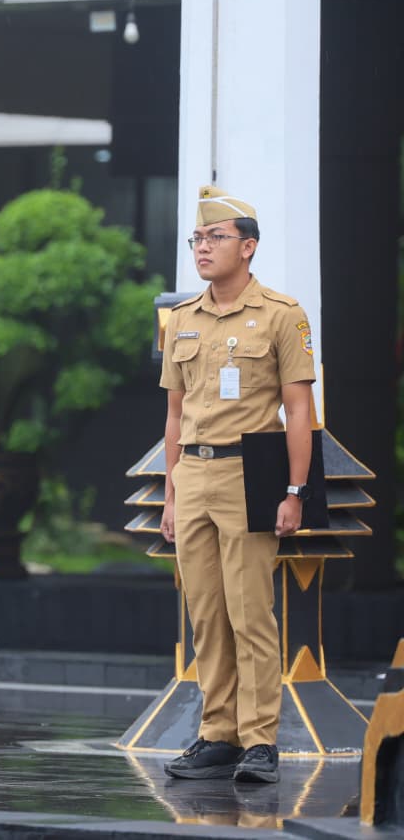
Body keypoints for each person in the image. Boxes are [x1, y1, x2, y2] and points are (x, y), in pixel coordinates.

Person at [159, 185, 315, 785]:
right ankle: (217, 734)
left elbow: (299, 409)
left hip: (251, 474)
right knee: (206, 615)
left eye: (215, 238)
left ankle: (260, 742)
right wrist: (171, 493)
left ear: (247, 248)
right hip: (193, 475)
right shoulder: (182, 320)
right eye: (197, 239)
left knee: (251, 612)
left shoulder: (281, 314)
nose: (203, 247)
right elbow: (173, 415)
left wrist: (295, 491)